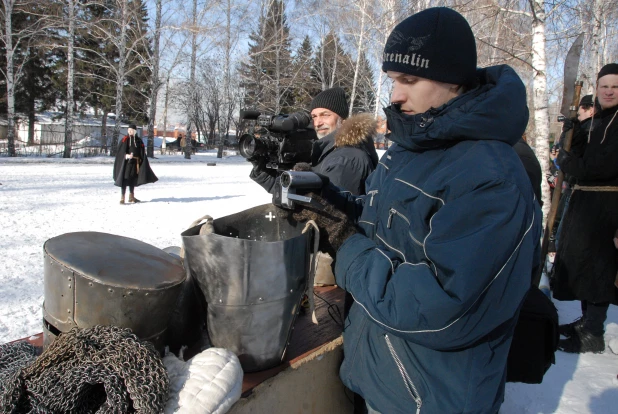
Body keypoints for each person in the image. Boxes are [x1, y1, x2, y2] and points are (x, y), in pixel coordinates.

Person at [291, 8, 541, 414]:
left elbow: (441, 306)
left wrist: (344, 241)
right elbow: (380, 223)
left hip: (431, 395)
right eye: (392, 81)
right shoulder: (412, 148)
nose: (395, 96)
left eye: (409, 80)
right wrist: (330, 200)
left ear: (454, 79)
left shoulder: (490, 176)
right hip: (385, 373)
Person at [553, 63, 618, 354]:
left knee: (599, 269)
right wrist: (574, 130)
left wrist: (566, 163)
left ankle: (593, 332)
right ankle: (586, 321)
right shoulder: (600, 120)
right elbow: (585, 150)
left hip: (608, 206)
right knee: (584, 265)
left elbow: (599, 166)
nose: (608, 91)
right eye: (604, 86)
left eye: (615, 86)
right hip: (587, 203)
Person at [250, 87, 379, 196]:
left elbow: (329, 212)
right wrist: (264, 172)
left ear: (342, 119)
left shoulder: (345, 159)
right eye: (314, 116)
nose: (318, 122)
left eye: (325, 115)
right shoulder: (331, 151)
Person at [113, 123, 158, 204]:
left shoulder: (138, 140)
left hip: (135, 163)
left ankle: (131, 196)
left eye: (131, 130)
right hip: (126, 164)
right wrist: (126, 156)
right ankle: (122, 197)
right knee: (125, 179)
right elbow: (120, 152)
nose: (130, 132)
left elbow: (142, 151)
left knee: (132, 180)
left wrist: (141, 159)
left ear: (134, 131)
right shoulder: (125, 140)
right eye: (129, 130)